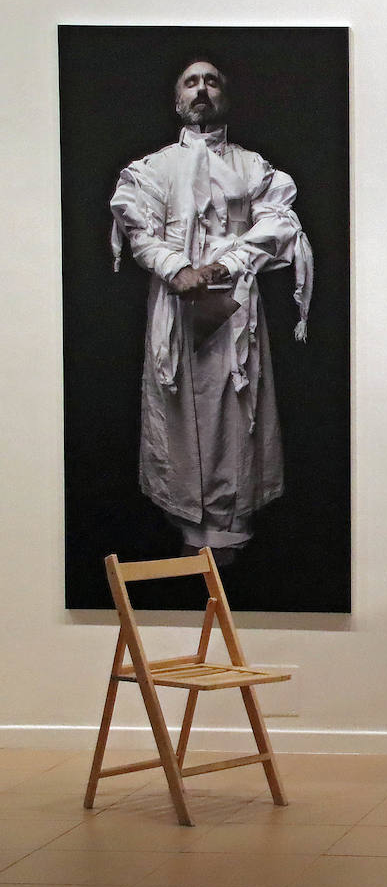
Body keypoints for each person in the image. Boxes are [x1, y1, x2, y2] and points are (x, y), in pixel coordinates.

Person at [109, 58, 313, 565]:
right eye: (190, 82)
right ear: (178, 98)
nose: (202, 90)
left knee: (237, 413)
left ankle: (230, 539)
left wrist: (230, 261)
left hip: (234, 309)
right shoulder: (153, 168)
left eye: (212, 81)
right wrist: (177, 268)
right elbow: (138, 228)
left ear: (226, 95)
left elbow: (279, 220)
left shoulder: (251, 167)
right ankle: (185, 529)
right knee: (176, 411)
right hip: (177, 311)